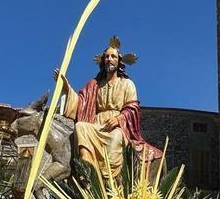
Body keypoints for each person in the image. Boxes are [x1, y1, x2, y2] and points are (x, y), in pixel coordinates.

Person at [55, 36, 161, 178]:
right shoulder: (94, 85)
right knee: (80, 126)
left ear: (119, 61)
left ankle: (108, 178)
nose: (109, 59)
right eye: (107, 57)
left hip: (117, 126)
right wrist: (66, 88)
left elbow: (133, 108)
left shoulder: (127, 84)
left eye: (113, 56)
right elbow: (81, 103)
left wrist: (119, 119)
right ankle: (89, 174)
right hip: (96, 125)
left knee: (116, 137)